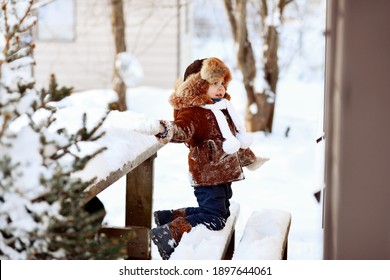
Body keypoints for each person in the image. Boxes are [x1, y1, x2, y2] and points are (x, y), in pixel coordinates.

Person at [147, 57, 268, 259]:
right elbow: (182, 130)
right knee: (215, 218)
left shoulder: (221, 108)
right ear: (199, 85)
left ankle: (167, 217)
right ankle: (170, 233)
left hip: (223, 173)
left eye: (222, 83)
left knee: (220, 212)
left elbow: (233, 139)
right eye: (214, 83)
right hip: (207, 174)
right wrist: (164, 128)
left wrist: (249, 159)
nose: (220, 88)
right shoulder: (193, 112)